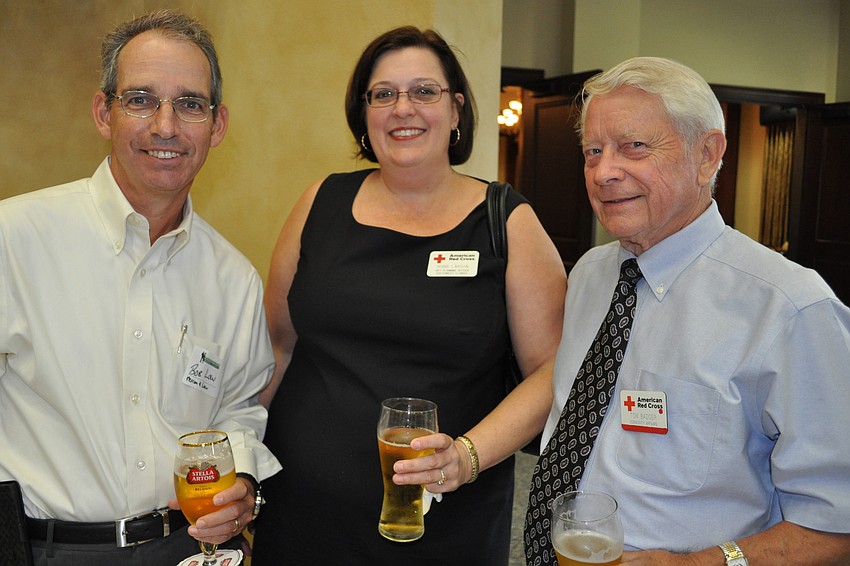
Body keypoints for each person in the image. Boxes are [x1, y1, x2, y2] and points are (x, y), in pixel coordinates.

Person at [253, 26, 566, 565]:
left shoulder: (506, 221)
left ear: (456, 108)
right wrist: (239, 463)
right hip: (300, 516)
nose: (403, 108)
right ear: (364, 112)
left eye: (424, 91)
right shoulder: (319, 203)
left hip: (444, 523)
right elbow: (276, 348)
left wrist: (466, 456)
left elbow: (551, 371)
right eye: (383, 94)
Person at [525, 56, 850, 565]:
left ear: (707, 155)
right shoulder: (589, 275)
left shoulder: (789, 308)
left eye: (634, 146)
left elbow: (836, 525)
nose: (604, 172)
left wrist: (699, 564)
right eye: (593, 151)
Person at [0, 10, 281, 565]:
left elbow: (238, 409)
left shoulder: (234, 279)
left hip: (186, 548)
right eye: (141, 100)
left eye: (190, 104)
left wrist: (243, 480)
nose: (166, 126)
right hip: (49, 551)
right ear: (103, 112)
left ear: (217, 125)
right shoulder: (14, 239)